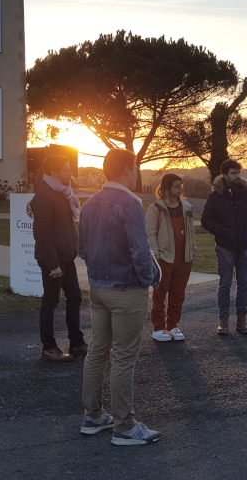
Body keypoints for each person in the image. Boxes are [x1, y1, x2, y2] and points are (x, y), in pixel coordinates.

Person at [78, 148, 162, 445]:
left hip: (98, 287)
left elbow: (83, 249)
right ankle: (125, 426)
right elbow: (140, 251)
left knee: (98, 350)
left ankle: (93, 415)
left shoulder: (89, 204)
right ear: (127, 169)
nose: (137, 172)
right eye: (135, 167)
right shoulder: (130, 204)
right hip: (127, 290)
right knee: (124, 356)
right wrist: (150, 280)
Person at [31, 155, 86, 362]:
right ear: (54, 173)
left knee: (75, 297)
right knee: (51, 302)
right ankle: (49, 348)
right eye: (66, 170)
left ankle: (77, 343)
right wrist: (53, 264)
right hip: (53, 261)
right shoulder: (44, 196)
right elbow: (42, 234)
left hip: (66, 257)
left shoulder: (63, 194)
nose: (70, 173)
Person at [201, 159, 247, 335]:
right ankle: (224, 321)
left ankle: (242, 322)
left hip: (245, 247)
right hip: (225, 247)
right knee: (225, 285)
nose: (237, 176)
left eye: (238, 173)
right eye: (233, 173)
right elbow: (206, 220)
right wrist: (223, 231)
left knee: (244, 286)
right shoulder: (215, 197)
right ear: (225, 174)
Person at [146, 173, 198, 341]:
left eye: (180, 186)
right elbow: (150, 233)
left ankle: (173, 325)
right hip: (164, 258)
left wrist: (193, 250)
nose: (180, 189)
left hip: (184, 258)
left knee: (178, 294)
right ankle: (158, 327)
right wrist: (156, 254)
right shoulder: (155, 209)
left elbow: (191, 231)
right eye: (176, 186)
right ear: (166, 188)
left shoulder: (187, 207)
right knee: (160, 294)